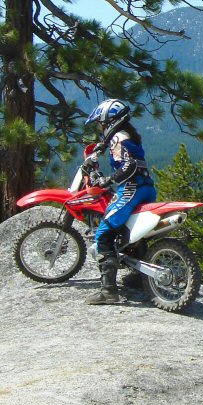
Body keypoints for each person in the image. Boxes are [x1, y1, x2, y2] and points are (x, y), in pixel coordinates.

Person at [83, 98, 157, 305]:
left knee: (103, 234)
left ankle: (108, 291)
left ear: (110, 121)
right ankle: (137, 275)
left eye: (101, 123)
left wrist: (108, 180)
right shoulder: (128, 135)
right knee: (127, 232)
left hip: (131, 188)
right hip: (146, 187)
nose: (100, 127)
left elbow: (129, 165)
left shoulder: (118, 137)